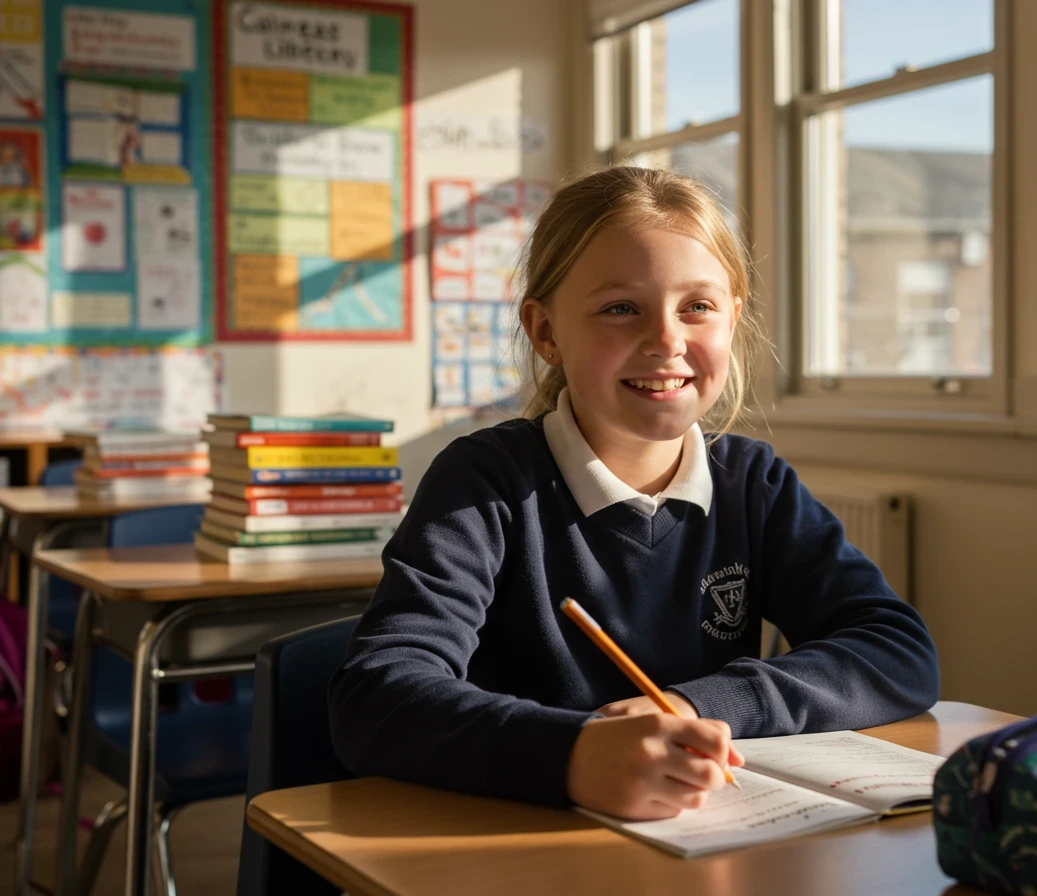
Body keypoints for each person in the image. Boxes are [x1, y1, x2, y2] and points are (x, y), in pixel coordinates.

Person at [329, 166, 940, 821]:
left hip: (704, 842)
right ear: (545, 332)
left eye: (697, 307)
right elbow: (377, 698)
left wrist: (697, 706)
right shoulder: (486, 483)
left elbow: (897, 651)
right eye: (621, 308)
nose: (667, 341)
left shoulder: (752, 483)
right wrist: (573, 754)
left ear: (732, 321)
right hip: (520, 844)